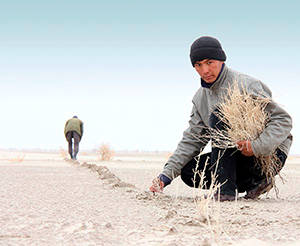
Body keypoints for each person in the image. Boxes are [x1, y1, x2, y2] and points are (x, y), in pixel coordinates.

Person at [149, 36, 293, 201]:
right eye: (198, 65)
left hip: (267, 156)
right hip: (235, 159)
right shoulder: (200, 99)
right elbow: (192, 139)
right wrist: (164, 177)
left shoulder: (246, 85)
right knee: (190, 172)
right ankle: (256, 182)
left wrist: (256, 146)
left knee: (219, 115)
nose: (205, 71)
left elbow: (283, 120)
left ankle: (226, 191)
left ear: (221, 60)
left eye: (209, 62)